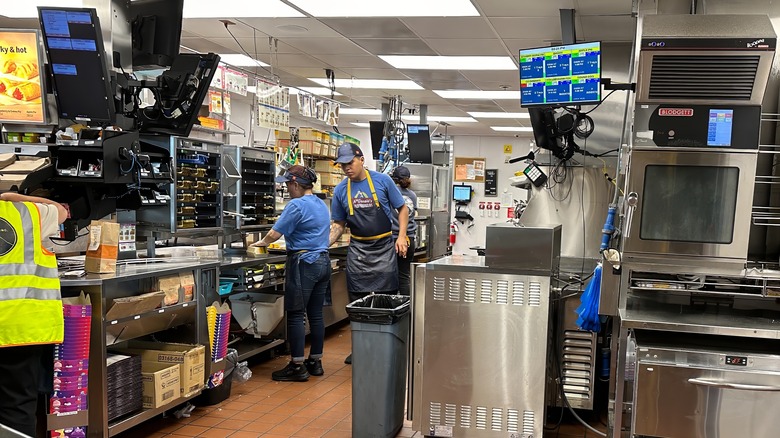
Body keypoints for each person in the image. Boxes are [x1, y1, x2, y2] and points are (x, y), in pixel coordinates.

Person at [329, 143, 409, 364]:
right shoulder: (340, 191)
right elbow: (338, 224)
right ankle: (361, 349)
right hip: (358, 250)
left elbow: (403, 208)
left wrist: (401, 236)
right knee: (358, 302)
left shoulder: (382, 181)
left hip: (384, 246)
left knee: (386, 299)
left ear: (361, 159)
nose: (346, 168)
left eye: (350, 163)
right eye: (342, 165)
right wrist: (324, 244)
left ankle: (388, 345)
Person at [252, 165, 331, 382]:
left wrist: (259, 244)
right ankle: (315, 361)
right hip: (323, 262)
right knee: (315, 314)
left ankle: (297, 365)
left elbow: (274, 233)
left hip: (304, 263)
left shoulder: (296, 205)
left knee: (296, 314)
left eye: (287, 184)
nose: (286, 188)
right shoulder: (321, 204)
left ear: (296, 184)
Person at [0, 191, 67, 436]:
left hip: (20, 330)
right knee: (17, 406)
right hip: (20, 329)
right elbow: (62, 211)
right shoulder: (29, 213)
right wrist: (11, 195)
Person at [390, 166, 418, 296]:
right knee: (404, 276)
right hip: (409, 239)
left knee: (390, 276)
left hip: (395, 239)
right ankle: (406, 310)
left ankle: (391, 308)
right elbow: (414, 213)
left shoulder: (391, 193)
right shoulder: (412, 195)